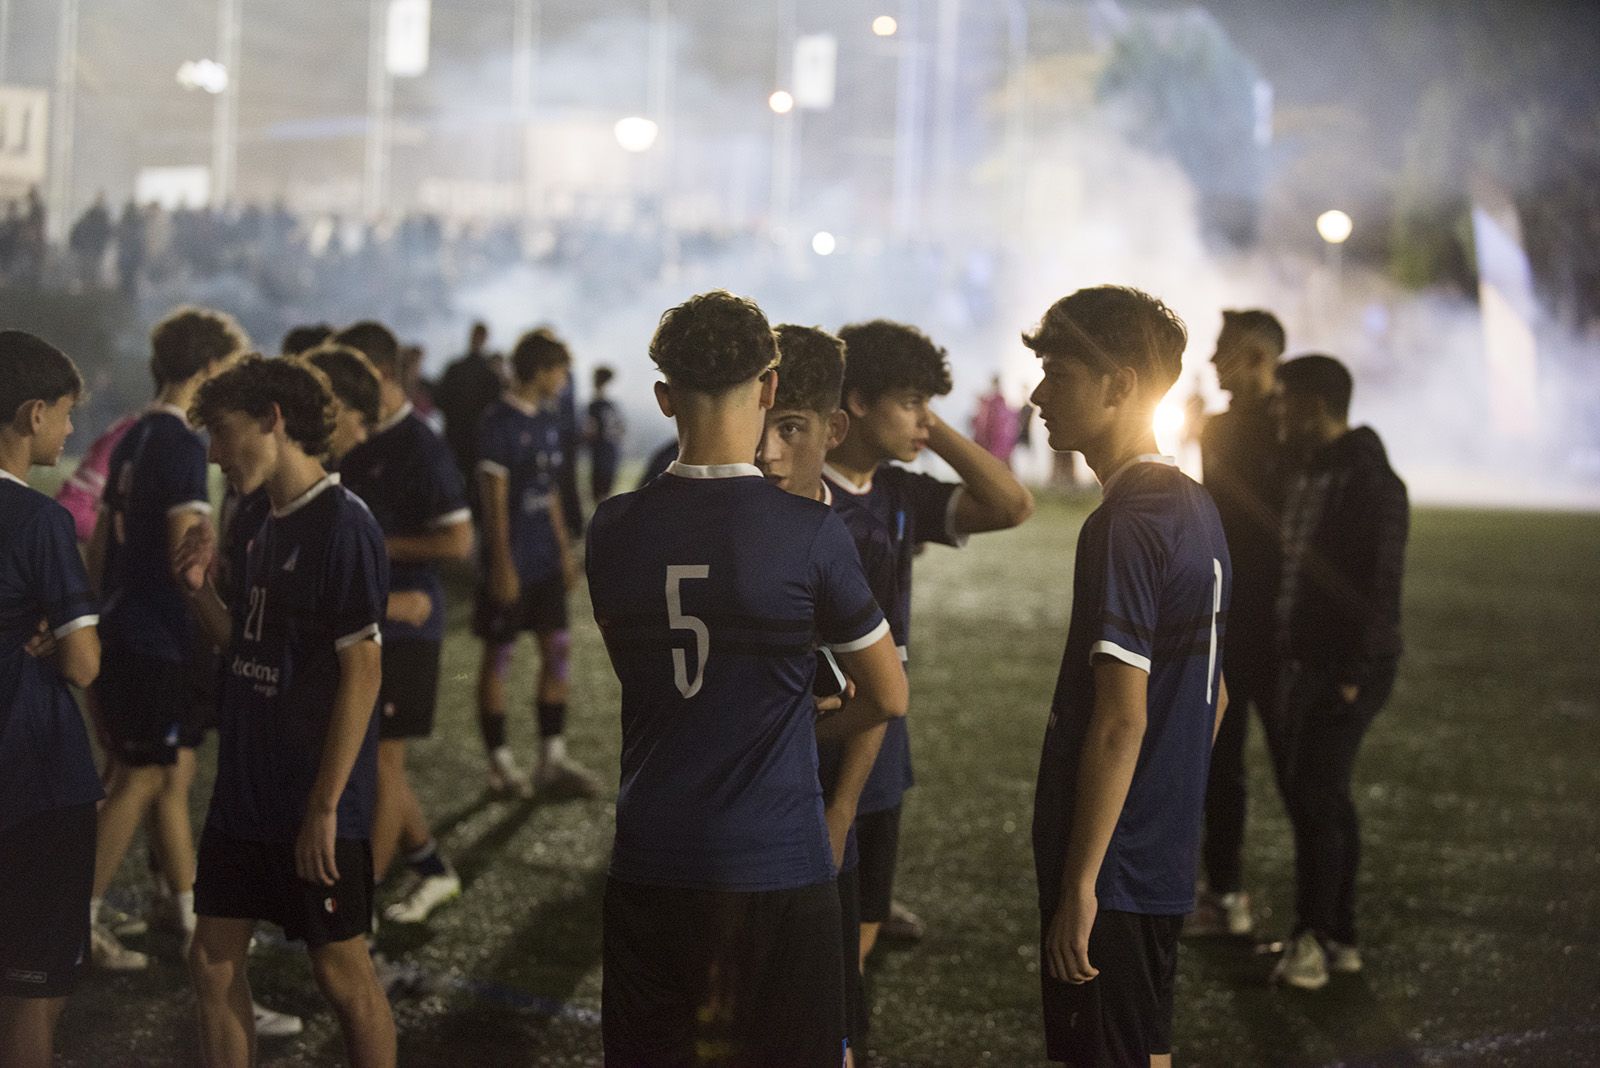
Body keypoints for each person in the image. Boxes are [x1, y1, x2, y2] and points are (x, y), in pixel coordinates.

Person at [588, 290, 908, 1068]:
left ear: (663, 397)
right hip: (777, 861)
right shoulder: (808, 531)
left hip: (652, 854)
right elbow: (888, 696)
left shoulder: (612, 529)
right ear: (769, 390)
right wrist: (796, 722)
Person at [1024, 285, 1232, 1068]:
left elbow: (1121, 718)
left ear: (1119, 386)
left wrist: (1083, 881)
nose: (1040, 393)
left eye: (1059, 371)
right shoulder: (1197, 508)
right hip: (1162, 855)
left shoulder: (1123, 525)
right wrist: (1168, 806)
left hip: (1115, 862)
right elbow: (1216, 696)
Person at [175, 356, 396, 1068]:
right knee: (210, 960)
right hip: (244, 794)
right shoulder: (252, 521)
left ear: (273, 419)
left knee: (340, 974)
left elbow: (363, 670)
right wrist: (198, 593)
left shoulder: (343, 525)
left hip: (311, 800)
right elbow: (243, 643)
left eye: (221, 432)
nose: (212, 452)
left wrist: (327, 805)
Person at [823, 319, 1034, 963]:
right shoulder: (799, 490)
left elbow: (1010, 504)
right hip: (815, 714)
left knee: (863, 910)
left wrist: (931, 427)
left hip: (882, 719)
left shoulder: (896, 489)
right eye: (911, 402)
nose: (925, 420)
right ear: (857, 402)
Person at [755, 323, 899, 1064]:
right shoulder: (730, 521)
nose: (767, 451)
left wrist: (842, 808)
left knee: (831, 1015)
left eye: (790, 428)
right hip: (741, 815)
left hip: (816, 807)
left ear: (833, 429)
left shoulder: (857, 540)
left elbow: (881, 693)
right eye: (759, 425)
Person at [86, 307, 245, 971]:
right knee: (143, 775)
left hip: (124, 624)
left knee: (168, 777)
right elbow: (189, 551)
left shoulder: (131, 435)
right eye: (230, 370)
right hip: (159, 635)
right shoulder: (182, 442)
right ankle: (73, 919)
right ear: (208, 367)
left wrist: (99, 614)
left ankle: (187, 921)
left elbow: (98, 545)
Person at [1269, 354, 1408, 991]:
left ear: (1316, 406)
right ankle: (1340, 934)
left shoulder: (1371, 481)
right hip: (1310, 660)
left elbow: (1379, 583)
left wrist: (1353, 671)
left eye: (1285, 399)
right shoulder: (1311, 469)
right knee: (1320, 795)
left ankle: (1313, 939)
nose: (1276, 410)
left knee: (1316, 795)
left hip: (1346, 667)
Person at [329, 322, 472, 924]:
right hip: (363, 623)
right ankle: (433, 869)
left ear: (381, 376)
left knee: (382, 764)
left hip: (408, 626)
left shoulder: (421, 446)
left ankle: (361, 907)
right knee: (367, 760)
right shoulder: (353, 438)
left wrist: (377, 547)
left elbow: (459, 540)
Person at [0, 332, 102, 1068]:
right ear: (33, 413)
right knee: (32, 999)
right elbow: (84, 662)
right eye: (66, 414)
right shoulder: (40, 522)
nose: (70, 432)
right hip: (34, 779)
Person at [1189, 309, 1288, 939]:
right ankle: (1225, 894)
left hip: (1281, 624)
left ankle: (1322, 925)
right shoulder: (1220, 427)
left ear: (1258, 357)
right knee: (1221, 760)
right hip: (1231, 618)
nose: (1214, 363)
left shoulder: (1296, 427)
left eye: (1225, 352)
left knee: (1302, 774)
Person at [473, 329, 598, 798]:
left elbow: (547, 497)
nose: (565, 380)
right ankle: (500, 764)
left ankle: (552, 759)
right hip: (513, 561)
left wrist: (565, 554)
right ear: (542, 370)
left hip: (545, 561)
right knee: (499, 656)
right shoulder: (498, 421)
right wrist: (502, 563)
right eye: (561, 370)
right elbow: (495, 499)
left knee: (558, 650)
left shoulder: (547, 422)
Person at [433, 321, 505, 496]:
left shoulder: (456, 369)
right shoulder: (488, 373)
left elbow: (440, 399)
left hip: (459, 434)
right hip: (474, 436)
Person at [585, 365, 625, 502]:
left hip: (604, 452)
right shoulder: (607, 405)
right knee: (604, 493)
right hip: (608, 451)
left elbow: (591, 430)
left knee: (601, 494)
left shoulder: (596, 405)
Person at [971, 374, 1022, 467]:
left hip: (998, 435)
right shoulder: (992, 400)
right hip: (995, 435)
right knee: (998, 460)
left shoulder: (994, 400)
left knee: (1000, 460)